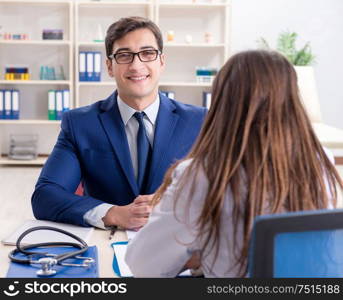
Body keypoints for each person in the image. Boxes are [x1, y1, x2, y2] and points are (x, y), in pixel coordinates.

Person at [125, 50, 343, 277]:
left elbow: (143, 266)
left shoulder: (202, 174)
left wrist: (200, 253)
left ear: (222, 104)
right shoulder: (320, 161)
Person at [31, 17, 206, 230]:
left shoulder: (199, 121)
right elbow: (45, 196)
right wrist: (113, 213)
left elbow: (223, 191)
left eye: (147, 53)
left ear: (161, 62)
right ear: (109, 66)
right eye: (124, 56)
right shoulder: (80, 124)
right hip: (107, 241)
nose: (136, 65)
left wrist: (170, 205)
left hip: (175, 243)